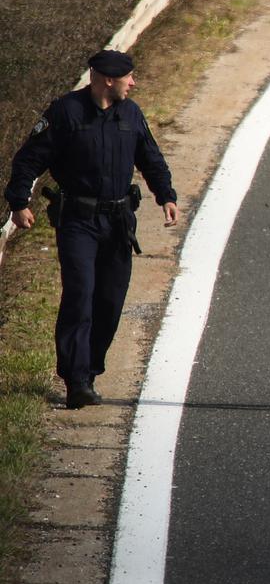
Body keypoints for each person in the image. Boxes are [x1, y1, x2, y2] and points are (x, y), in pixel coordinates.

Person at [5, 50, 179, 409]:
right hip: (78, 223)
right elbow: (29, 159)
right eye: (128, 77)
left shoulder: (130, 113)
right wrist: (19, 202)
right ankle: (76, 379)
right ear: (107, 80)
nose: (134, 82)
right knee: (80, 296)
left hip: (117, 223)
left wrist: (166, 194)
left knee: (110, 301)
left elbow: (150, 157)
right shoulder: (66, 113)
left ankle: (90, 368)